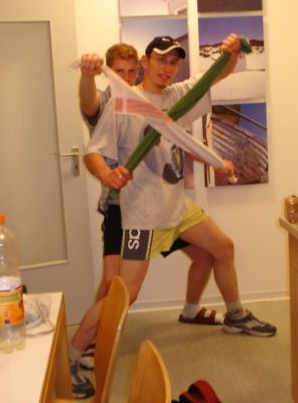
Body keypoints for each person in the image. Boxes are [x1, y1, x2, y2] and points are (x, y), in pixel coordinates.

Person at [72, 35, 276, 398]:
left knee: (222, 248)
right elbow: (93, 152)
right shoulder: (122, 103)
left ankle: (234, 315)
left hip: (176, 207)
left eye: (174, 61)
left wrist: (230, 53)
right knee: (125, 293)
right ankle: (72, 358)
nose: (168, 67)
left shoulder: (177, 96)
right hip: (142, 213)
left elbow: (216, 75)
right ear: (146, 61)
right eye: (161, 59)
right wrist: (107, 174)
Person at [74, 44, 221, 385]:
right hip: (123, 207)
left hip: (164, 208)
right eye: (118, 73)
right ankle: (86, 346)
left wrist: (215, 161)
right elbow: (88, 111)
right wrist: (87, 75)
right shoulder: (111, 103)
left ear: (139, 69)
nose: (126, 79)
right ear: (109, 74)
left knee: (211, 251)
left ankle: (191, 310)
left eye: (130, 72)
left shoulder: (150, 103)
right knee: (118, 286)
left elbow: (177, 143)